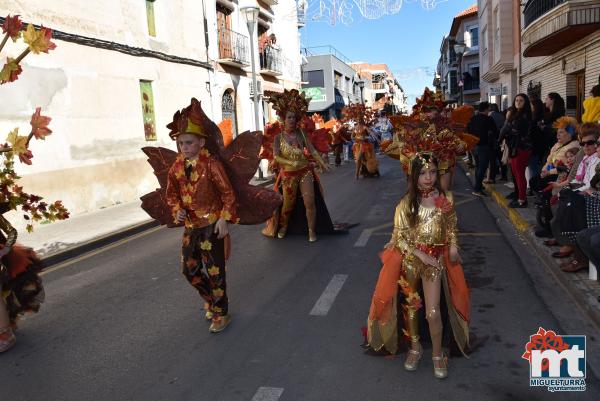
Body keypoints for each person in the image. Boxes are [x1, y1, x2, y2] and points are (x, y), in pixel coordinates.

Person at [365, 152, 470, 380]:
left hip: (435, 261)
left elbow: (452, 227)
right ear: (414, 176)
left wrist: (453, 246)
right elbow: (400, 237)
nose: (428, 177)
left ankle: (436, 353)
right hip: (412, 261)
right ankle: (415, 348)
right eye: (422, 173)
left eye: (432, 172)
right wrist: (420, 255)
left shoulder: (446, 199)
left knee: (433, 312)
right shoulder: (406, 204)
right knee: (411, 307)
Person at [165, 99, 240, 333]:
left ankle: (221, 312)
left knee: (215, 271)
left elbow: (228, 194)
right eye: (180, 143)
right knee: (189, 269)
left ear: (201, 142)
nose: (184, 147)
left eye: (189, 143)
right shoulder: (176, 168)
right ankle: (210, 299)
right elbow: (171, 195)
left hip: (211, 225)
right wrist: (176, 209)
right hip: (191, 227)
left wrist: (223, 219)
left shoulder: (212, 165)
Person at [261, 89, 336, 242]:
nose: (292, 120)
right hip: (288, 176)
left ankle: (311, 231)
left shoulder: (301, 134)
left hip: (304, 172)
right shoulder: (278, 138)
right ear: (283, 118)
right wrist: (290, 162)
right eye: (289, 117)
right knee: (288, 205)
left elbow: (313, 150)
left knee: (310, 202)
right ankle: (283, 226)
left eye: (294, 117)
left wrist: (323, 163)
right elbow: (276, 157)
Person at [505, 94, 533, 208]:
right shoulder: (517, 114)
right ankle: (520, 197)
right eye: (516, 100)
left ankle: (522, 200)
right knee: (516, 175)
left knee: (519, 175)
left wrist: (508, 132)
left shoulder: (524, 116)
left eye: (521, 100)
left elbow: (513, 131)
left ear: (525, 102)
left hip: (521, 148)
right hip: (516, 147)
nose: (518, 102)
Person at [467, 102, 498, 196]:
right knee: (482, 167)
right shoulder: (488, 119)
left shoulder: (472, 119)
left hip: (473, 146)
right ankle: (477, 189)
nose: (489, 111)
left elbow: (468, 130)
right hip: (483, 146)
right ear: (486, 109)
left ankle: (478, 185)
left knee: (478, 166)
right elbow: (495, 131)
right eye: (488, 109)